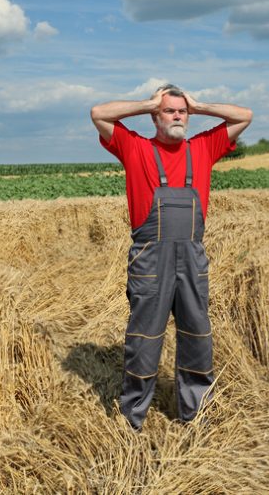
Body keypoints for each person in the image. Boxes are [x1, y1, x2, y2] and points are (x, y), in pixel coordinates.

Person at [90, 83, 252, 429]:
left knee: (197, 334)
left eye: (182, 112)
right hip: (151, 258)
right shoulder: (134, 147)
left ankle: (195, 412)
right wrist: (149, 102)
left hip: (192, 257)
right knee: (145, 337)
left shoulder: (203, 147)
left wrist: (200, 104)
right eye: (169, 111)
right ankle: (132, 416)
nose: (178, 116)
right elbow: (98, 113)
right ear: (155, 116)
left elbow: (245, 116)